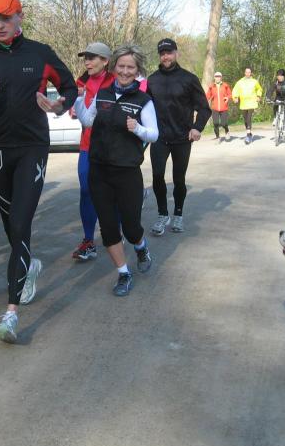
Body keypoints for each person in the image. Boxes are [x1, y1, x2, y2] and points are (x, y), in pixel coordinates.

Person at [0, 0, 77, 344]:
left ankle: (10, 313)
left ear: (19, 18)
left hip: (32, 149)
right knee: (12, 225)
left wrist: (59, 106)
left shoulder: (40, 53)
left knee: (20, 222)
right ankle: (30, 266)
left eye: (5, 18)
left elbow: (70, 87)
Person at [74, 44, 158, 295]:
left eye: (130, 67)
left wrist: (138, 129)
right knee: (109, 228)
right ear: (114, 67)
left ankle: (141, 247)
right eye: (121, 66)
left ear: (137, 70)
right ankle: (123, 273)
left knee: (131, 228)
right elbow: (87, 120)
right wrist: (78, 99)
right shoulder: (102, 93)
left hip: (127, 172)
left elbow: (154, 134)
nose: (124, 71)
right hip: (99, 171)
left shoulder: (144, 101)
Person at [146, 38, 211, 236]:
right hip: (159, 138)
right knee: (157, 176)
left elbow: (204, 108)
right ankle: (162, 214)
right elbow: (144, 107)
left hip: (182, 138)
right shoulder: (152, 80)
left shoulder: (189, 79)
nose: (166, 56)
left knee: (178, 179)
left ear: (176, 53)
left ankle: (178, 214)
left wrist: (197, 128)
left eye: (169, 52)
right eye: (162, 53)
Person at [71, 42, 114, 262]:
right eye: (85, 58)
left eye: (92, 58)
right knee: (86, 190)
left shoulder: (116, 81)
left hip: (112, 148)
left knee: (112, 192)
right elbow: (75, 111)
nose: (87, 62)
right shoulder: (80, 83)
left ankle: (115, 233)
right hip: (87, 146)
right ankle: (88, 241)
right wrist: (72, 104)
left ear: (105, 61)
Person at [232, 67, 263, 144]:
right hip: (243, 103)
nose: (248, 74)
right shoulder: (240, 82)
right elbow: (235, 90)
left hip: (252, 102)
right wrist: (235, 97)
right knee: (245, 120)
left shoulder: (254, 81)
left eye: (249, 72)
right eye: (246, 72)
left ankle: (248, 135)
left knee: (249, 118)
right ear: (244, 73)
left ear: (251, 73)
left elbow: (259, 89)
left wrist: (258, 96)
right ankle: (249, 133)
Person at [268, 68, 285, 143]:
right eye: (278, 76)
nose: (279, 77)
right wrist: (268, 98)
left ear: (284, 76)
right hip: (279, 98)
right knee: (275, 105)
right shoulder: (275, 82)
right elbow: (270, 90)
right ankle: (275, 118)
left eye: (281, 76)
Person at [206, 71, 231, 141]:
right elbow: (207, 96)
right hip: (215, 108)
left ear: (221, 77)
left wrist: (227, 97)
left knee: (224, 123)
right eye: (216, 77)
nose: (217, 78)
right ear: (214, 78)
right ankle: (217, 137)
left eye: (219, 76)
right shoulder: (211, 86)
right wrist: (203, 102)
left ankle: (227, 131)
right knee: (215, 123)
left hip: (224, 108)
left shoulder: (225, 85)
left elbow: (230, 94)